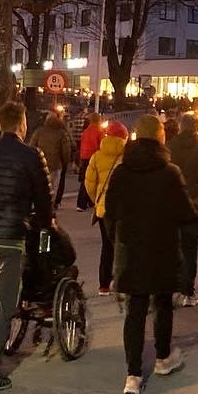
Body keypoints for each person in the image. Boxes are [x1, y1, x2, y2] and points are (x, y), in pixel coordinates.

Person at [106, 115, 198, 394]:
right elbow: (185, 213)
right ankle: (162, 358)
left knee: (135, 310)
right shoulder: (170, 172)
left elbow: (110, 213)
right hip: (162, 248)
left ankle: (132, 374)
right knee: (162, 304)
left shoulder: (121, 171)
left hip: (132, 249)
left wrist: (118, 241)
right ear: (160, 138)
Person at [0, 102, 53, 394]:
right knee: (1, 306)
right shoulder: (31, 156)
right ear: (21, 124)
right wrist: (46, 235)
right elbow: (44, 202)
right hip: (8, 236)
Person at [166, 112, 198, 307]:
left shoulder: (169, 147)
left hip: (171, 204)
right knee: (189, 248)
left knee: (171, 247)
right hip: (194, 206)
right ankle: (187, 290)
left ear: (180, 127)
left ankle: (171, 286)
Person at [84, 120, 130, 295]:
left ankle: (104, 284)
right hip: (122, 209)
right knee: (122, 245)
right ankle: (120, 281)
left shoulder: (97, 156)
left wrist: (97, 199)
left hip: (103, 209)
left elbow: (89, 183)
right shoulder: (126, 157)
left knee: (106, 246)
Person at [29, 108, 75, 208]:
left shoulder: (39, 131)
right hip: (55, 164)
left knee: (39, 185)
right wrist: (65, 162)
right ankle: (50, 205)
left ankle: (38, 204)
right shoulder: (61, 133)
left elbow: (32, 145)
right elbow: (66, 150)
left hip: (39, 163)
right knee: (53, 186)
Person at [75, 112, 104, 211]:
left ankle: (83, 202)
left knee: (85, 180)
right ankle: (85, 202)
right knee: (93, 180)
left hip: (84, 157)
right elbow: (101, 145)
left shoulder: (86, 131)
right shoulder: (99, 131)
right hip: (94, 157)